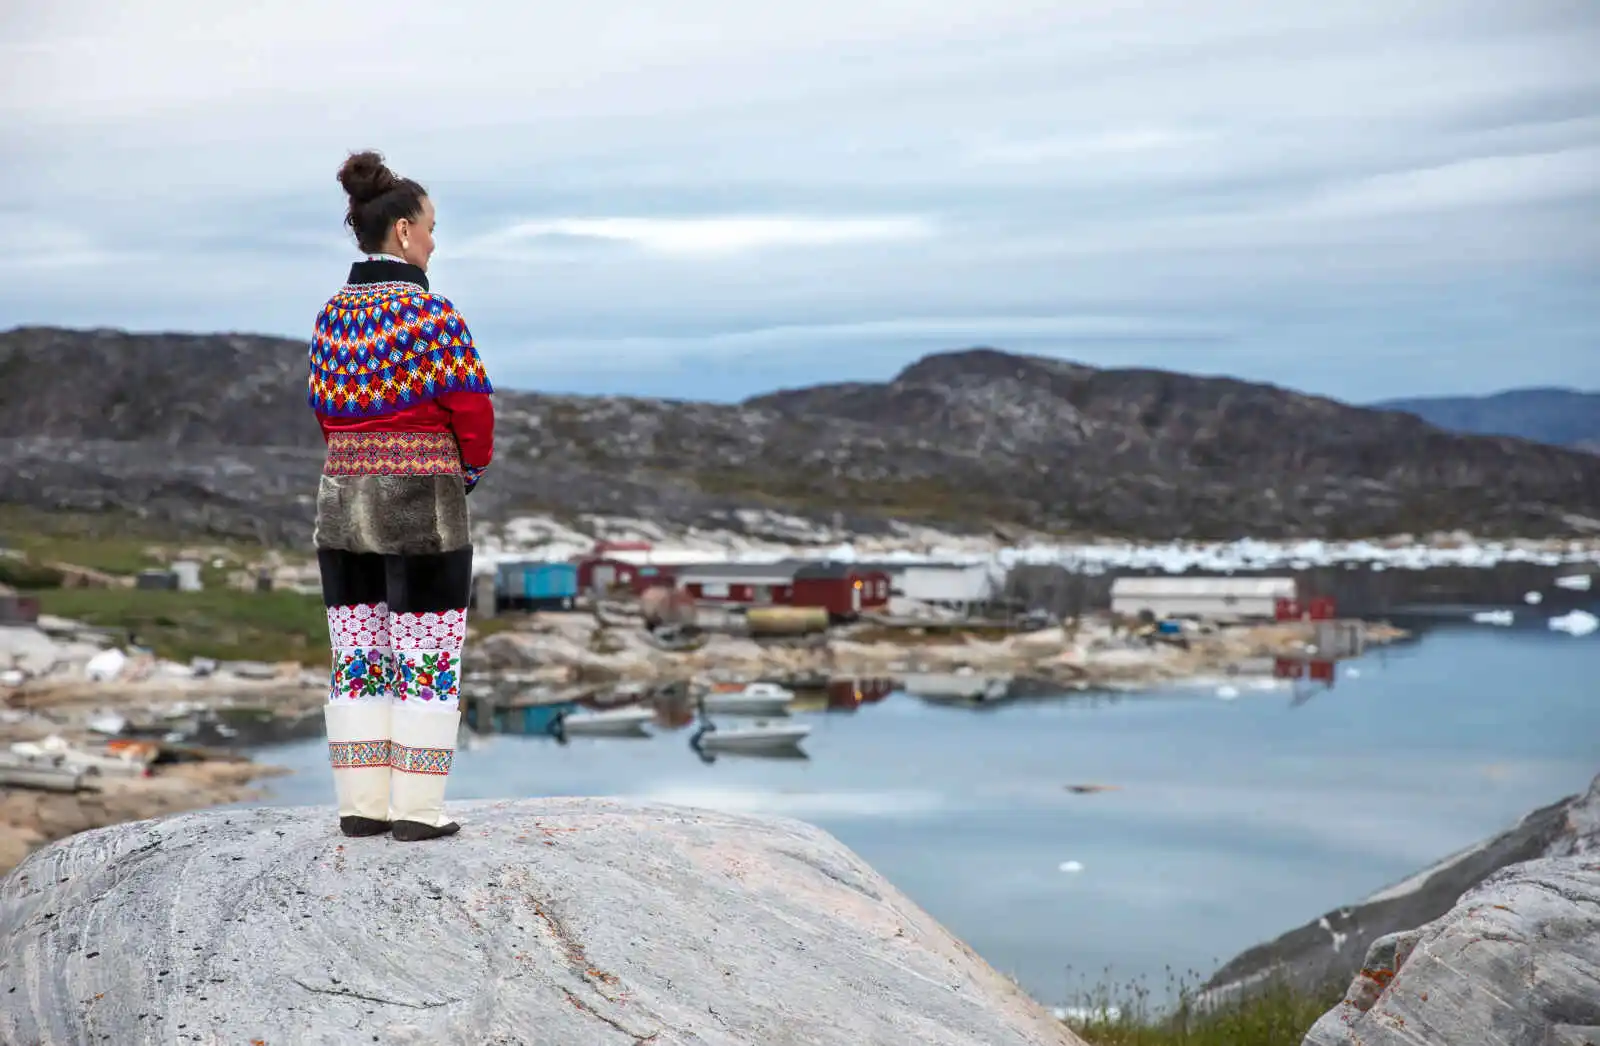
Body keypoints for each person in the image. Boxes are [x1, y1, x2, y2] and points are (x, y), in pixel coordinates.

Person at [308, 150, 494, 841]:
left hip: (341, 497)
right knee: (427, 654)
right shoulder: (432, 314)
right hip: (423, 499)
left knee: (357, 651)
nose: (435, 242)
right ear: (406, 232)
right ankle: (417, 811)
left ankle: (362, 806)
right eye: (432, 227)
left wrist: (353, 459)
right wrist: (464, 473)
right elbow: (472, 411)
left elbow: (325, 409)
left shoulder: (331, 315)